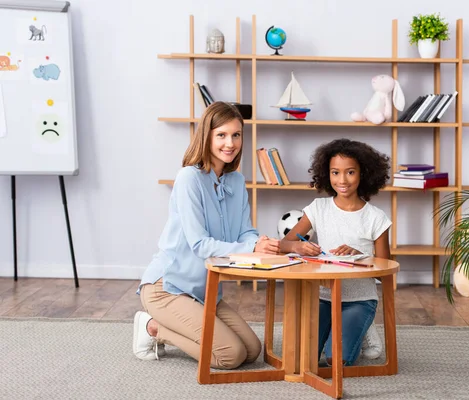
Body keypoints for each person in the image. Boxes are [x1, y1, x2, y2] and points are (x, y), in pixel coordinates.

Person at [133, 101, 280, 369]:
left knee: (251, 350)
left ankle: (169, 325)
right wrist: (251, 249)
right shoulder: (189, 178)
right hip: (166, 288)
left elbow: (246, 232)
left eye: (236, 135)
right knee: (229, 355)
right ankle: (152, 327)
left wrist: (259, 243)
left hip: (203, 291)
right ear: (207, 136)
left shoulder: (236, 181)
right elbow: (201, 245)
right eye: (221, 135)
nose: (230, 143)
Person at [279, 138, 391, 365]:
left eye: (350, 172)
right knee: (303, 358)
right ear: (326, 174)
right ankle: (351, 331)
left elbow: (384, 270)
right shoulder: (318, 209)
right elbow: (282, 245)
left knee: (335, 360)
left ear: (364, 174)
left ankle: (364, 330)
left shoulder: (376, 218)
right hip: (323, 298)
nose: (342, 180)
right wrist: (299, 247)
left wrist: (359, 253)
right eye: (335, 172)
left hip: (359, 300)